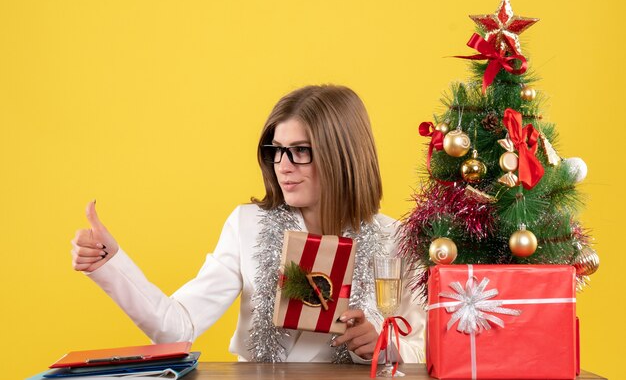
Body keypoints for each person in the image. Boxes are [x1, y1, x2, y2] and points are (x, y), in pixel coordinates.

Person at [71, 84, 425, 363]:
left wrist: (382, 344)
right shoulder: (248, 226)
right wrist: (111, 263)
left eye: (300, 151)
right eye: (276, 151)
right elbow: (176, 328)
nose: (283, 166)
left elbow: (425, 349)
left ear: (341, 155)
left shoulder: (395, 238)